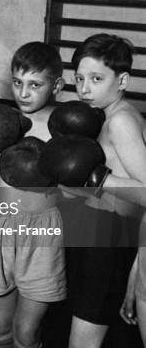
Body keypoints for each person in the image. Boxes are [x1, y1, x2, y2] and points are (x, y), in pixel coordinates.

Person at [56, 33, 145, 348]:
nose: (84, 88)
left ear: (122, 80)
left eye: (96, 78)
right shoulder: (101, 118)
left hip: (110, 245)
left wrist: (100, 179)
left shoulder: (121, 121)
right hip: (92, 238)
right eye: (79, 78)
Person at [0, 42, 66, 348]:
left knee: (25, 333)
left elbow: (84, 188)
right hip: (0, 224)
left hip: (41, 232)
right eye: (17, 83)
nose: (23, 93)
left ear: (57, 86)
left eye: (35, 85)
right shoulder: (5, 121)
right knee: (0, 328)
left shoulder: (63, 129)